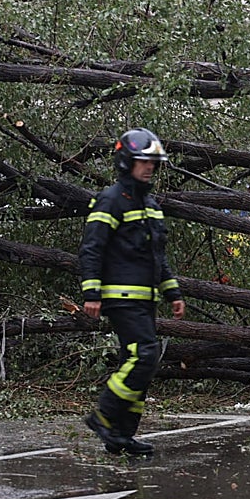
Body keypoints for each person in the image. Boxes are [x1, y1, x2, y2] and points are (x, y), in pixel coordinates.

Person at [79, 128, 185, 456]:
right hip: (121, 299)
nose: (150, 167)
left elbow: (158, 256)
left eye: (154, 162)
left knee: (136, 362)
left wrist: (173, 292)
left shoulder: (151, 205)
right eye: (144, 161)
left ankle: (121, 436)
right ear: (126, 161)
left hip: (145, 299)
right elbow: (91, 248)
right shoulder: (111, 199)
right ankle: (103, 414)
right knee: (145, 357)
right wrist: (91, 292)